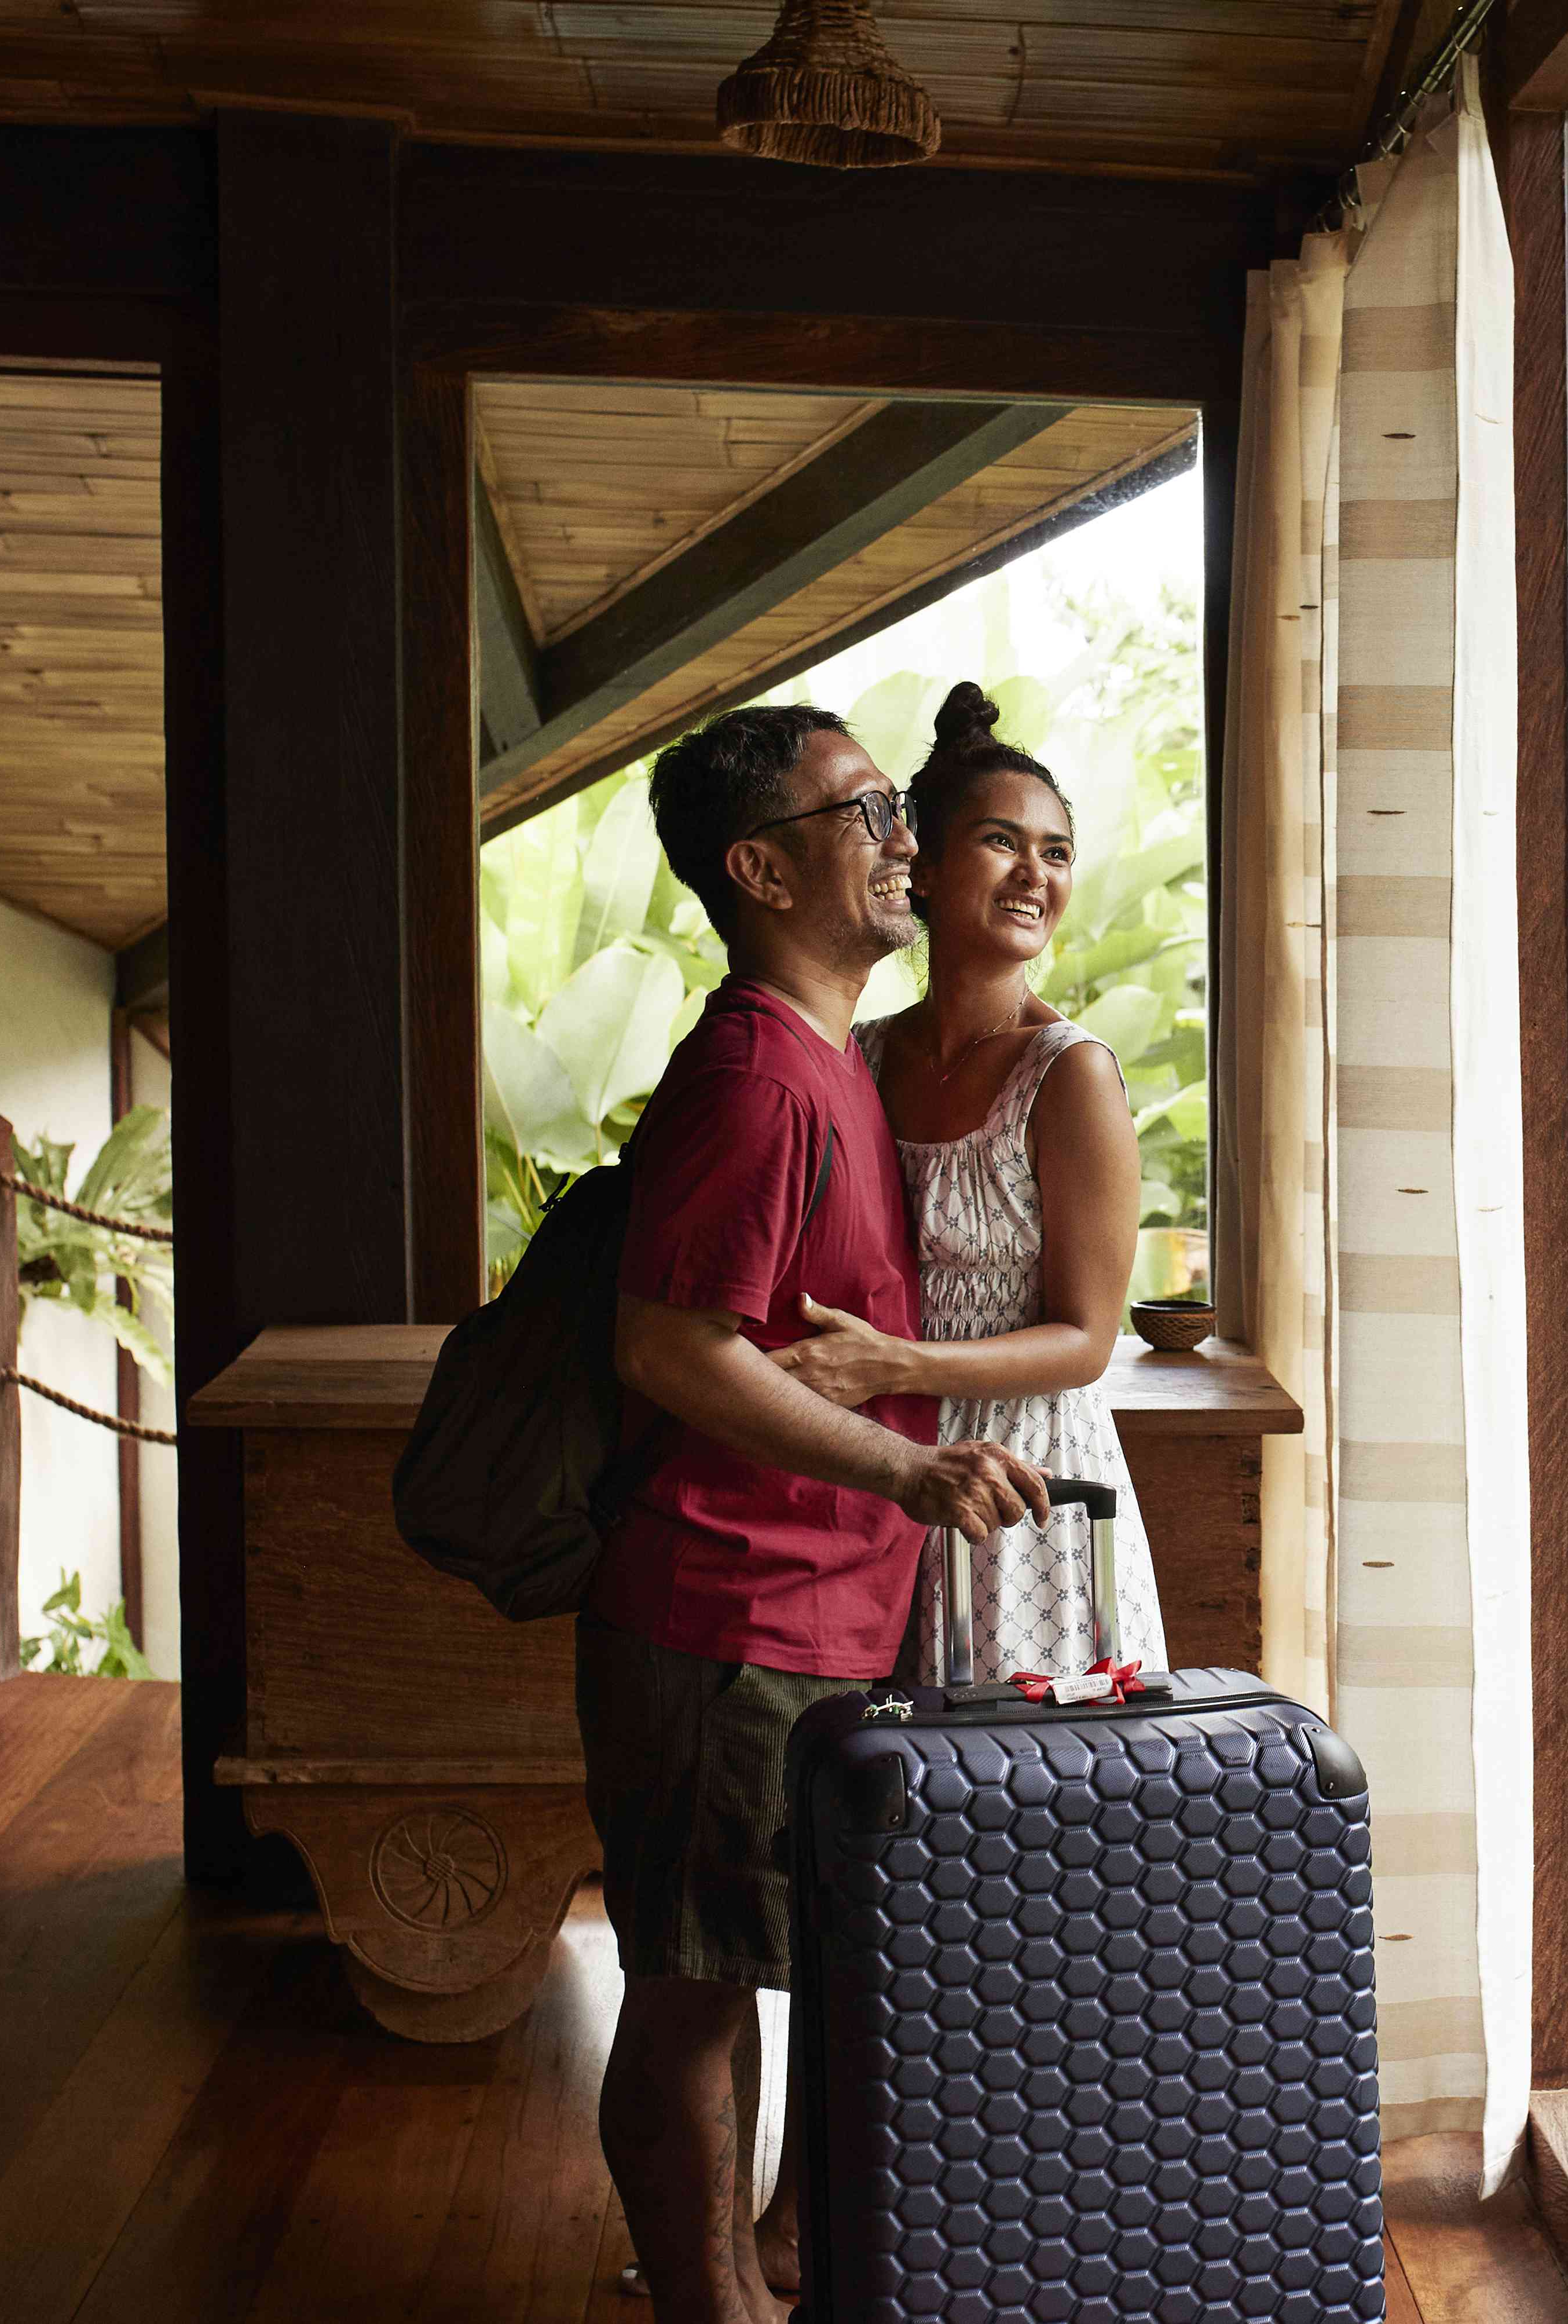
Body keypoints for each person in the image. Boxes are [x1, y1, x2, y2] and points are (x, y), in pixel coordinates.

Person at [585, 701, 1049, 2324]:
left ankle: (739, 2286)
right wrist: (906, 1467)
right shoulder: (760, 1077)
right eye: (866, 812)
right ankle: (713, 2308)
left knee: (733, 1984)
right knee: (689, 1999)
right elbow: (669, 1343)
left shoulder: (830, 1055)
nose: (901, 836)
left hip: (800, 1613)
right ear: (762, 865)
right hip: (727, 1612)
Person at [770, 682, 1170, 1686]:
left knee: (1020, 1812)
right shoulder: (856, 1055)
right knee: (882, 1797)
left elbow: (1084, 1342)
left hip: (1028, 1494)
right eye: (1003, 842)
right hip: (875, 1477)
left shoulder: (1069, 1074)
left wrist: (893, 1366)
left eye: (1058, 850)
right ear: (928, 866)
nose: (1036, 872)